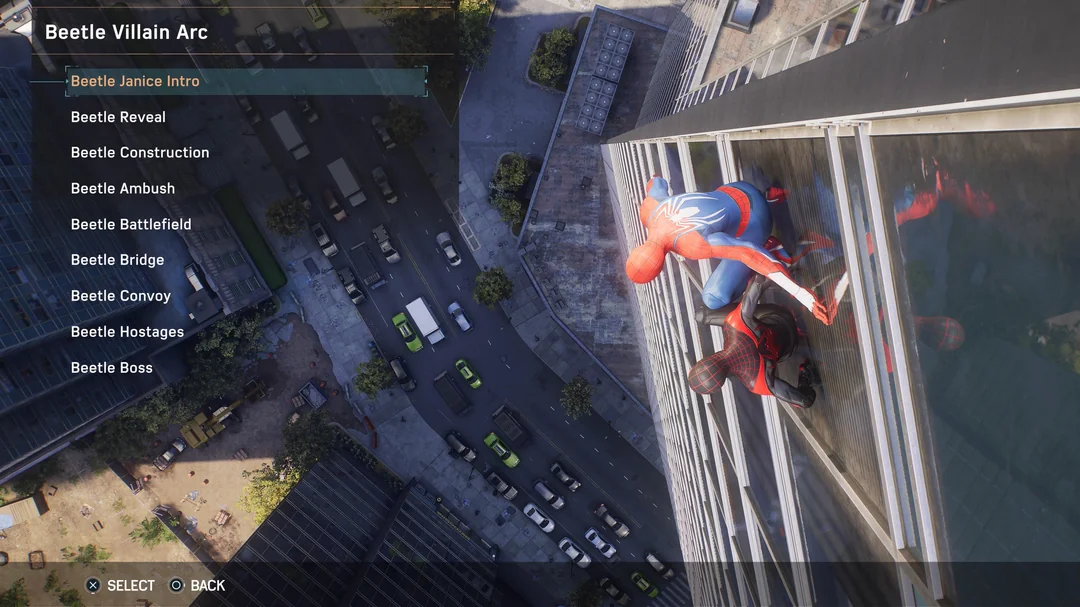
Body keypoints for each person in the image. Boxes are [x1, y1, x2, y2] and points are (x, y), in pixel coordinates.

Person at [624, 175, 834, 325]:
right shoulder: (649, 209)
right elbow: (656, 181)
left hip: (756, 219)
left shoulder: (691, 244)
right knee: (725, 226)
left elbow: (748, 252)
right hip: (737, 188)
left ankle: (776, 252)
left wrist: (803, 296)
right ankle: (770, 197)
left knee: (713, 297)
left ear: (660, 267)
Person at [687, 274, 819, 409]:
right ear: (706, 358)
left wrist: (804, 378)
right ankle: (705, 316)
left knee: (742, 316)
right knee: (703, 315)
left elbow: (804, 401)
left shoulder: (755, 383)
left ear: (721, 384)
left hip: (790, 347)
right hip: (781, 317)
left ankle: (806, 371)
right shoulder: (733, 326)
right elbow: (759, 281)